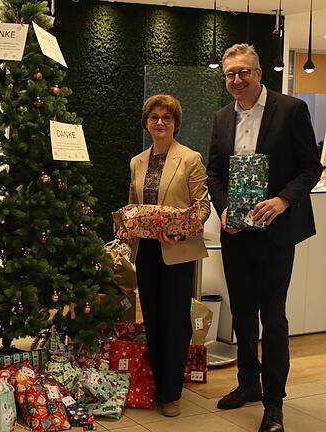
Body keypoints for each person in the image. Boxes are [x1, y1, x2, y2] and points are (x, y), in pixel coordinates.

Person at [207, 43, 321, 432]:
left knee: (272, 317)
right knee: (241, 313)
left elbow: (310, 168)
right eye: (230, 74)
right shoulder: (223, 118)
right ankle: (247, 385)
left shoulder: (291, 110)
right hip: (235, 234)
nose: (236, 80)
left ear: (259, 73)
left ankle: (274, 404)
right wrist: (223, 210)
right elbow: (214, 174)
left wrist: (282, 201)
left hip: (275, 234)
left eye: (244, 72)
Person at [126, 94, 210, 417]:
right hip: (146, 250)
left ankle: (171, 393)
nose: (160, 122)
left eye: (167, 117)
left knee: (174, 322)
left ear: (176, 123)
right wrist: (128, 224)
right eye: (154, 117)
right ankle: (158, 385)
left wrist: (181, 229)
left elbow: (203, 206)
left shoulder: (190, 159)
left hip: (178, 249)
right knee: (152, 318)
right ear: (146, 123)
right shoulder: (137, 161)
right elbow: (134, 203)